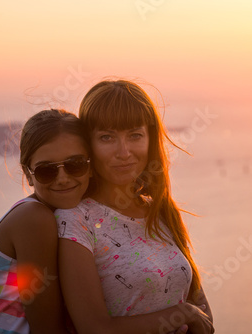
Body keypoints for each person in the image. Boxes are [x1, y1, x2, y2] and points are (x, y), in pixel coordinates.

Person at [55, 80, 214, 333]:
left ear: (151, 140)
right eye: (107, 137)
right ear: (89, 145)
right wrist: (180, 314)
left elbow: (201, 310)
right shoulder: (75, 220)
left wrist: (192, 314)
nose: (124, 151)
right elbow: (95, 328)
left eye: (135, 135)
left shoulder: (160, 211)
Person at [0, 109, 91, 334]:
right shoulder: (34, 219)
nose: (63, 178)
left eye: (76, 164)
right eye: (46, 170)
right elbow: (48, 329)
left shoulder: (68, 215)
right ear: (28, 174)